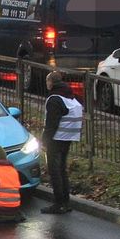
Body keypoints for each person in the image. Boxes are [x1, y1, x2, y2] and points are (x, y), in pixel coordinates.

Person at [41, 71, 82, 214]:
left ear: (51, 82)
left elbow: (51, 124)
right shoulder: (70, 95)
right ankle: (65, 202)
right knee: (62, 170)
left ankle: (58, 204)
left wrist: (44, 141)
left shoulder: (54, 99)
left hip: (57, 138)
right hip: (69, 137)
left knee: (54, 171)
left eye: (47, 82)